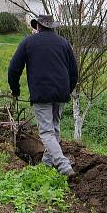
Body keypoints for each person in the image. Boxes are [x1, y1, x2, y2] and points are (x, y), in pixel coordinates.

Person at [8, 15, 78, 177]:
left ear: (38, 27)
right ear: (52, 27)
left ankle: (64, 166)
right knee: (54, 129)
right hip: (61, 92)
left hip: (41, 94)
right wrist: (67, 90)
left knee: (46, 133)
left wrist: (15, 90)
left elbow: (13, 69)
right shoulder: (64, 43)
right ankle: (46, 165)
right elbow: (74, 72)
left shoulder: (28, 42)